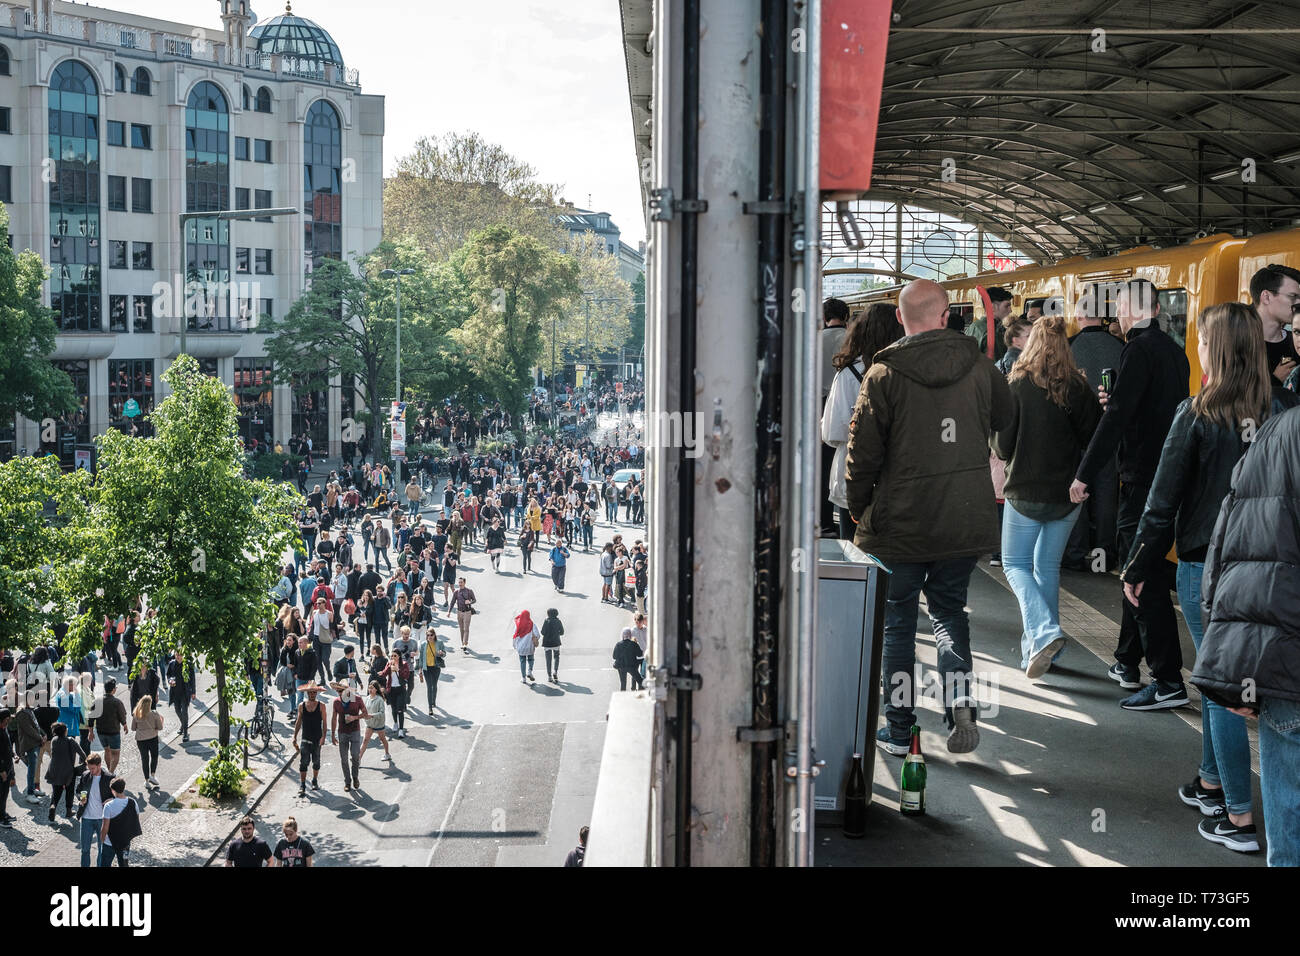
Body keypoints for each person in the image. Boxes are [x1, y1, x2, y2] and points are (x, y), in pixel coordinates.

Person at [1122, 303, 1297, 853]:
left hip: (1208, 569)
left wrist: (1137, 566)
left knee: (1221, 687)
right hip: (1277, 574)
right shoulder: (1288, 407)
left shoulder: (1197, 413)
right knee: (1250, 685)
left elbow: (1161, 501)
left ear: (1215, 349)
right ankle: (1212, 781)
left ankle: (1238, 817)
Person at [844, 278, 1013, 756]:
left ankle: (899, 730)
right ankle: (959, 697)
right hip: (962, 522)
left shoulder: (883, 374)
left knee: (898, 622)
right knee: (948, 613)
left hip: (899, 527)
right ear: (944, 317)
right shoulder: (980, 368)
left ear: (901, 318)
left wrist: (862, 513)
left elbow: (861, 458)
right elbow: (1007, 417)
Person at [1070, 278, 1191, 709]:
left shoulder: (1138, 349)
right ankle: (1126, 660)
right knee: (1139, 569)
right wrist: (1117, 399)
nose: (1115, 314)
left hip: (1140, 478)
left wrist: (1084, 474)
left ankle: (1168, 680)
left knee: (1144, 579)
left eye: (1118, 305)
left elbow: (1118, 419)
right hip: (1165, 476)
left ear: (1131, 307)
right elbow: (1148, 409)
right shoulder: (1173, 351)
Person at [1191, 400, 1300, 867]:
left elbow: (1227, 548)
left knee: (1287, 806)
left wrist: (1231, 664)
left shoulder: (1274, 436)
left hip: (1283, 662)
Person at [992, 315, 1101, 678]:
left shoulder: (1017, 384)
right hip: (1065, 496)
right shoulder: (1079, 388)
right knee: (1047, 568)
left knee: (1015, 566)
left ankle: (1045, 633)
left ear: (1032, 342)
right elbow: (1092, 442)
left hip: (1024, 492)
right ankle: (1038, 653)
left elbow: (1003, 446)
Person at [822, 303, 904, 539]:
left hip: (853, 473)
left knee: (856, 550)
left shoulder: (850, 372)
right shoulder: (908, 370)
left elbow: (832, 432)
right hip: (899, 474)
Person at [1064, 301, 1125, 570]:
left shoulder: (1067, 347)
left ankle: (1075, 553)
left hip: (1075, 433)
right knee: (1106, 493)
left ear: (1079, 316)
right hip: (1109, 431)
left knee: (1077, 491)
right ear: (1101, 317)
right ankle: (1104, 554)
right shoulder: (1121, 347)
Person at [819, 297, 851, 536]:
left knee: (821, 465)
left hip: (818, 405)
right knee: (840, 462)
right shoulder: (850, 340)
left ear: (824, 316)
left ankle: (824, 521)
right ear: (846, 316)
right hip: (845, 401)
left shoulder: (815, 340)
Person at [1248, 263, 1300, 381]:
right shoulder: (1236, 343)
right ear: (1266, 297)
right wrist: (1275, 380)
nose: (1298, 303)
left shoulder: (1296, 344)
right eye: (1293, 296)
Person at [75, 752, 114, 867]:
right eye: (89, 768)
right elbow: (78, 790)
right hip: (86, 818)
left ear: (99, 765)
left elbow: (118, 795)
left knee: (102, 851)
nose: (91, 771)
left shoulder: (109, 778)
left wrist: (111, 799)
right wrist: (80, 799)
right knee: (85, 850)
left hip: (102, 819)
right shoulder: (85, 775)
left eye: (93, 768)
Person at [98, 777, 141, 867]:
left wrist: (102, 840)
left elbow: (105, 827)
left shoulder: (108, 806)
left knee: (105, 864)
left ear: (113, 790)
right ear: (124, 788)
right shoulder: (133, 802)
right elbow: (135, 820)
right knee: (124, 864)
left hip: (109, 842)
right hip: (125, 842)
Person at [291, 685, 326, 796]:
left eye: (314, 692)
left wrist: (324, 737)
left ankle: (314, 780)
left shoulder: (321, 706)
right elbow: (298, 721)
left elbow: (324, 722)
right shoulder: (302, 706)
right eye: (310, 692)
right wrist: (294, 736)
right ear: (307, 693)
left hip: (317, 738)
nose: (312, 694)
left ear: (316, 693)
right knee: (303, 762)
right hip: (305, 738)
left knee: (316, 761)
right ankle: (302, 785)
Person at [331, 683, 365, 792]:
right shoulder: (336, 702)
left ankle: (355, 776)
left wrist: (355, 717)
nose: (339, 693)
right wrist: (332, 734)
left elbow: (365, 713)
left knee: (355, 756)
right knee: (344, 759)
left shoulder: (357, 699)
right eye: (338, 691)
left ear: (348, 691)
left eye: (341, 691)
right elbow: (334, 718)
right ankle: (347, 781)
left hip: (355, 731)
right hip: (342, 732)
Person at [94, 678, 128, 774]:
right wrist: (125, 725)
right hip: (113, 732)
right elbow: (122, 715)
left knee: (107, 750)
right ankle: (111, 773)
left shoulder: (97, 701)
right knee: (115, 753)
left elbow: (91, 716)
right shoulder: (117, 702)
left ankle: (109, 770)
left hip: (101, 731)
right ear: (113, 690)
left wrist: (90, 731)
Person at [131, 695, 163, 789]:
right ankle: (152, 775)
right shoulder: (154, 714)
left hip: (141, 740)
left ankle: (146, 780)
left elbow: (133, 728)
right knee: (154, 756)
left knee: (144, 759)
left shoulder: (136, 714)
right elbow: (160, 727)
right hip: (152, 737)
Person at [166, 650, 196, 743]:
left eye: (180, 655)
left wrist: (193, 692)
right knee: (177, 710)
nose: (178, 657)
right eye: (177, 655)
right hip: (175, 692)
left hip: (185, 692)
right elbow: (168, 675)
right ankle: (183, 725)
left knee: (184, 712)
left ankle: (186, 733)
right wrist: (170, 680)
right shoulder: (172, 664)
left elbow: (192, 679)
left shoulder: (188, 665)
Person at [358, 680, 391, 763]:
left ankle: (387, 754)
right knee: (365, 740)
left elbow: (382, 713)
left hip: (379, 724)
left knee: (382, 739)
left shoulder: (380, 699)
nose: (370, 690)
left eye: (372, 688)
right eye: (369, 688)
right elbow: (364, 709)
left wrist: (372, 715)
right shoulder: (367, 698)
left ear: (376, 689)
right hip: (369, 724)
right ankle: (358, 759)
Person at [379, 652, 410, 738]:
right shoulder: (389, 663)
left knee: (400, 710)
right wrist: (388, 667)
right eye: (391, 656)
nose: (393, 657)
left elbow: (406, 675)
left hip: (400, 689)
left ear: (399, 656)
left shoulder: (404, 664)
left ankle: (401, 730)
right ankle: (395, 723)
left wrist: (398, 670)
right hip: (391, 689)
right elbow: (384, 674)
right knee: (393, 708)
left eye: (395, 656)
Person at [418, 629, 447, 711]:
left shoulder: (439, 643)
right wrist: (420, 669)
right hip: (426, 668)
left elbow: (444, 653)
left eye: (431, 635)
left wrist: (442, 653)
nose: (429, 637)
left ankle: (433, 701)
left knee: (434, 685)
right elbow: (421, 658)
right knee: (429, 686)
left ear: (434, 635)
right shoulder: (423, 644)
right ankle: (430, 707)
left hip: (436, 667)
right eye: (428, 635)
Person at [511, 610, 540, 684]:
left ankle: (523, 678)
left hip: (521, 648)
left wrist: (514, 645)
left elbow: (514, 636)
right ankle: (529, 671)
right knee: (531, 659)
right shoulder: (532, 624)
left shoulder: (518, 624)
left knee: (522, 661)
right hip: (530, 647)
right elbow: (537, 635)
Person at [452, 578, 477, 649]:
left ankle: (465, 643)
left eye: (461, 582)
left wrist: (470, 602)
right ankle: (462, 643)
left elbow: (474, 600)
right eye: (459, 582)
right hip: (459, 612)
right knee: (461, 629)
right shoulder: (456, 592)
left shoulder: (469, 591)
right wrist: (449, 611)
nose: (460, 584)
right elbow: (452, 602)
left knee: (466, 628)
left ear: (464, 583)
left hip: (467, 612)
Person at [0, 708, 14, 828]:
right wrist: (1, 771)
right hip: (2, 769)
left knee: (5, 793)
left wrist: (14, 755)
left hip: (8, 766)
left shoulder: (4, 729)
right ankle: (1, 818)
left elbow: (8, 746)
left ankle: (3, 813)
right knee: (1, 793)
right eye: (7, 719)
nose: (8, 721)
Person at [541, 608, 564, 683]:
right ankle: (555, 671)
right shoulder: (558, 621)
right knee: (556, 657)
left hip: (547, 643)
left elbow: (542, 632)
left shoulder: (546, 621)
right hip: (556, 642)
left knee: (548, 660)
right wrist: (557, 633)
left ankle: (549, 676)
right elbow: (562, 632)